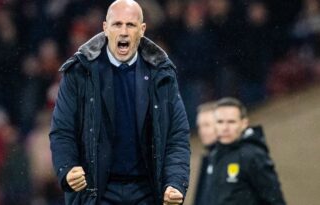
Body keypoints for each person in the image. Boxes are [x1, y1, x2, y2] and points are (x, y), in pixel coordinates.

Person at [49, 0, 190, 204]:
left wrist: (175, 182)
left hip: (148, 193)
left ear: (142, 30)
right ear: (105, 28)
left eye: (130, 25)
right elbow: (62, 131)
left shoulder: (162, 73)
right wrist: (67, 168)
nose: (123, 31)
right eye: (117, 24)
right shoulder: (79, 73)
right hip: (96, 193)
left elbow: (177, 136)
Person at [201, 97, 286, 205]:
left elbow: (274, 200)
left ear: (244, 123)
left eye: (231, 122)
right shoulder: (214, 155)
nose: (225, 128)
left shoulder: (253, 155)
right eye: (220, 122)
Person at [193, 102, 218, 205]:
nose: (202, 131)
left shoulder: (233, 158)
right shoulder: (208, 157)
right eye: (199, 126)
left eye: (207, 125)